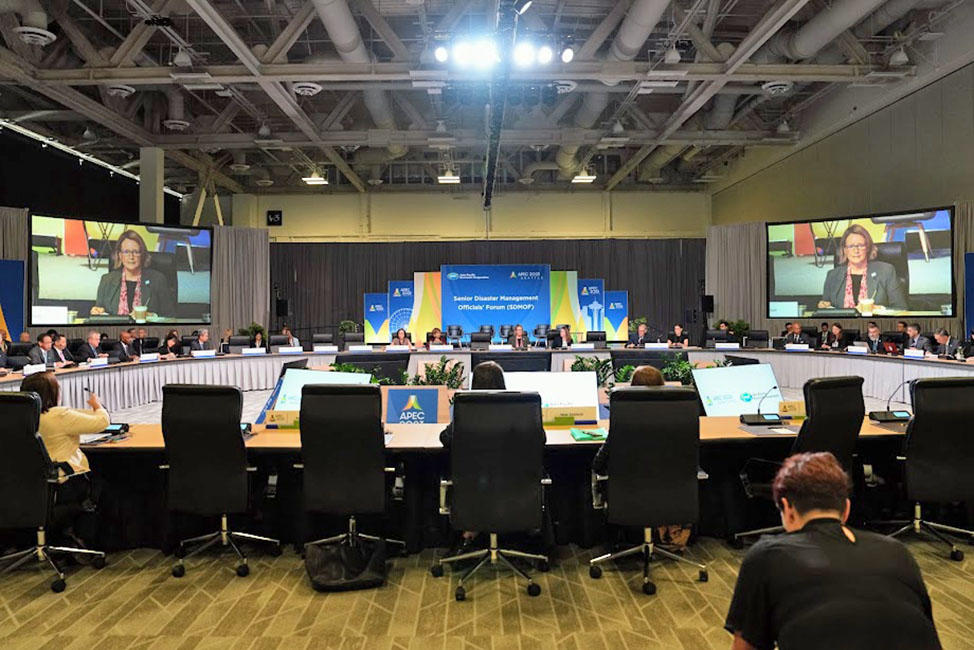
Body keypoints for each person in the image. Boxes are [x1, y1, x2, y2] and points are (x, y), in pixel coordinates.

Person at [725, 452, 940, 650]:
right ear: (846, 509)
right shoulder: (898, 552)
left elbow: (745, 647)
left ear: (787, 508)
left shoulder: (766, 557)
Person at [21, 371, 111, 549]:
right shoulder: (59, 416)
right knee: (104, 484)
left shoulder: (18, 417)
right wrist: (97, 405)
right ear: (54, 393)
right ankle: (87, 537)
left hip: (26, 484)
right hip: (64, 483)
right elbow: (102, 422)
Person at [592, 366, 665, 475]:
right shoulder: (679, 417)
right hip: (673, 486)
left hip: (627, 487)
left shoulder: (624, 418)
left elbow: (599, 465)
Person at [818, 224, 907, 311]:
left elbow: (901, 308)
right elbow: (826, 310)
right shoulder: (832, 275)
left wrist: (879, 309)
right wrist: (823, 306)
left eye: (860, 245)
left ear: (868, 247)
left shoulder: (886, 271)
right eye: (851, 246)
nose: (856, 251)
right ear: (845, 250)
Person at [90, 229, 176, 318]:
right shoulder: (107, 280)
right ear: (120, 255)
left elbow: (170, 317)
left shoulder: (157, 280)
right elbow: (99, 313)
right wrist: (97, 312)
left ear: (142, 254)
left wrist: (151, 316)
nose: (131, 257)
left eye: (135, 252)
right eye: (126, 252)